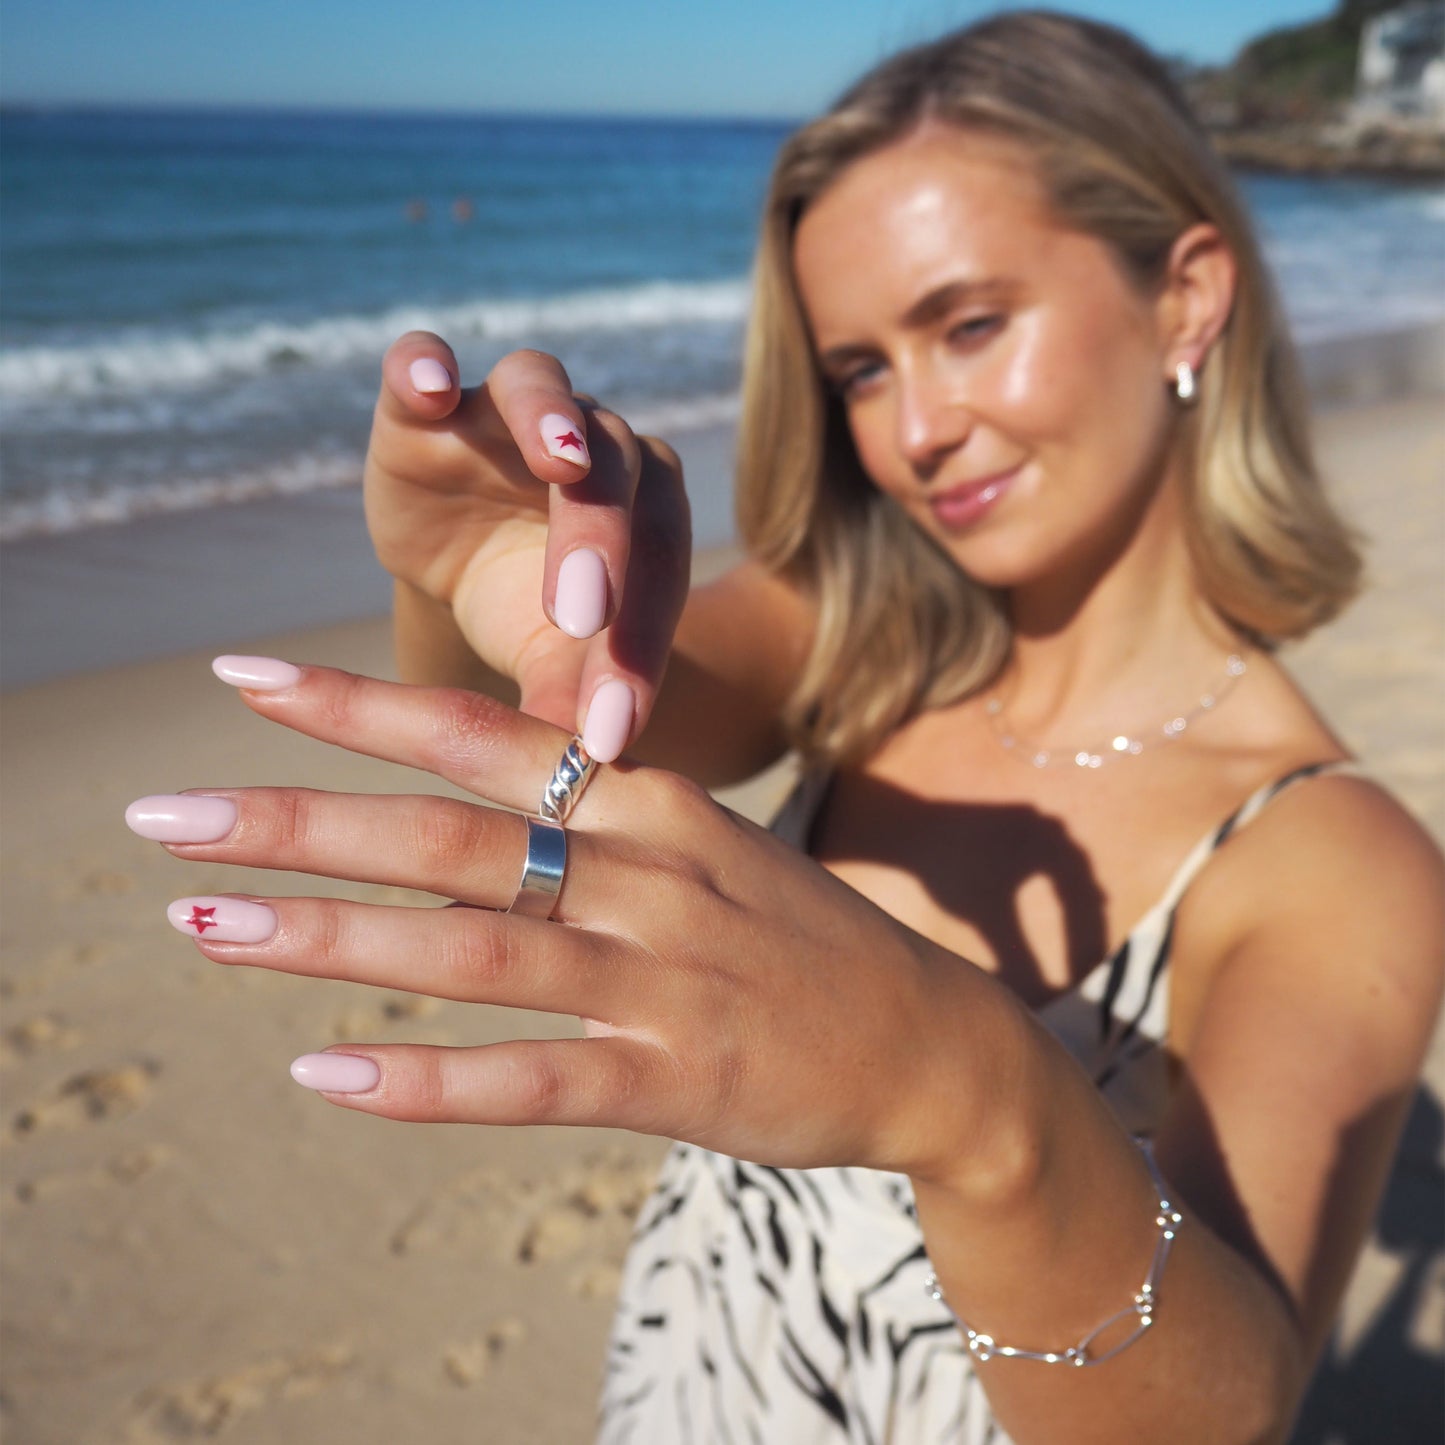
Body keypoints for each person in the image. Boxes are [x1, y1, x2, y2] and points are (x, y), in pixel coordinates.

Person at [125, 12, 1444, 1442]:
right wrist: (480, 580)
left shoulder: (1326, 859)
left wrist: (975, 1097)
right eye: (861, 369)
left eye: (970, 325)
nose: (914, 430)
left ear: (1184, 298)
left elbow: (1219, 1410)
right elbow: (557, 736)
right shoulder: (861, 635)